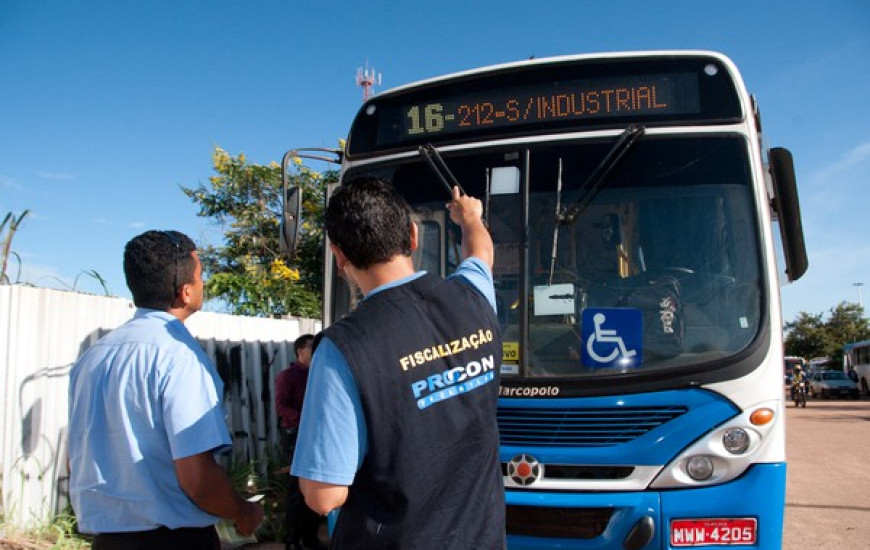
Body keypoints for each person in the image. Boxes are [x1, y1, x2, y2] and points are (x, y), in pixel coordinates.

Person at [291, 177, 506, 549]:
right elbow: (480, 254)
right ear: (412, 235)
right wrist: (470, 216)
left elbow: (323, 496)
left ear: (338, 255)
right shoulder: (473, 296)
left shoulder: (343, 347)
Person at [67, 230, 264, 550]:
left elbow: (75, 461)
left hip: (106, 541)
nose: (203, 283)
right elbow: (197, 480)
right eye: (201, 276)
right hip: (173, 540)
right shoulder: (179, 357)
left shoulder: (93, 357)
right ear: (185, 292)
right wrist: (244, 511)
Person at [274, 333, 323, 550]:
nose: (315, 351)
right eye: (311, 347)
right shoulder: (288, 376)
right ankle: (291, 540)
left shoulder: (320, 374)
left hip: (317, 435)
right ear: (300, 350)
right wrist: (306, 418)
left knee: (315, 485)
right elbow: (281, 407)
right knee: (296, 490)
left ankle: (310, 538)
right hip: (296, 435)